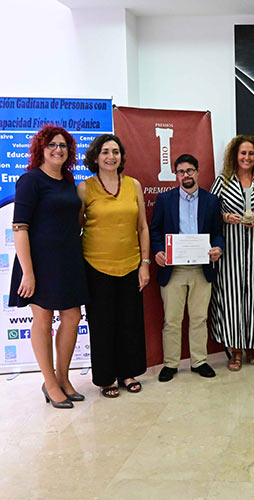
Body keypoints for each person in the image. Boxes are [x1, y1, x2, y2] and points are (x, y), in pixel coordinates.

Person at [8, 125, 89, 409]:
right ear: (41, 149)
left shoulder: (69, 182)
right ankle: (50, 383)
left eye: (63, 146)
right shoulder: (30, 181)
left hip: (68, 260)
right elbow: (20, 228)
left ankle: (63, 377)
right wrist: (28, 272)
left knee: (72, 318)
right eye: (52, 145)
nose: (58, 149)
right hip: (39, 263)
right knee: (42, 321)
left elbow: (75, 220)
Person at [77, 134, 149, 398]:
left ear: (121, 157)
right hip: (95, 266)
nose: (111, 157)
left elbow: (142, 227)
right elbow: (77, 227)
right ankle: (106, 378)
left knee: (129, 322)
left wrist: (145, 263)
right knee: (102, 324)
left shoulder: (133, 185)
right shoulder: (84, 188)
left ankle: (128, 373)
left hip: (131, 264)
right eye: (105, 152)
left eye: (115, 152)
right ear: (95, 157)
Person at [150, 153, 224, 382]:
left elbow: (218, 234)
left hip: (202, 268)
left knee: (199, 318)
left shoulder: (211, 201)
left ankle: (199, 361)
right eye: (181, 171)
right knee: (172, 319)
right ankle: (171, 364)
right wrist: (158, 251)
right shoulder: (165, 200)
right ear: (176, 175)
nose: (186, 175)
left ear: (197, 172)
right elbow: (155, 231)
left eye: (190, 170)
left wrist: (217, 249)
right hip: (174, 269)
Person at [209, 135, 254, 371]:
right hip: (231, 250)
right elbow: (208, 213)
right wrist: (224, 217)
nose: (247, 157)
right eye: (243, 153)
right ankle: (235, 349)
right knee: (231, 298)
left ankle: (252, 345)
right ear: (235, 156)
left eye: (251, 153)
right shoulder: (223, 182)